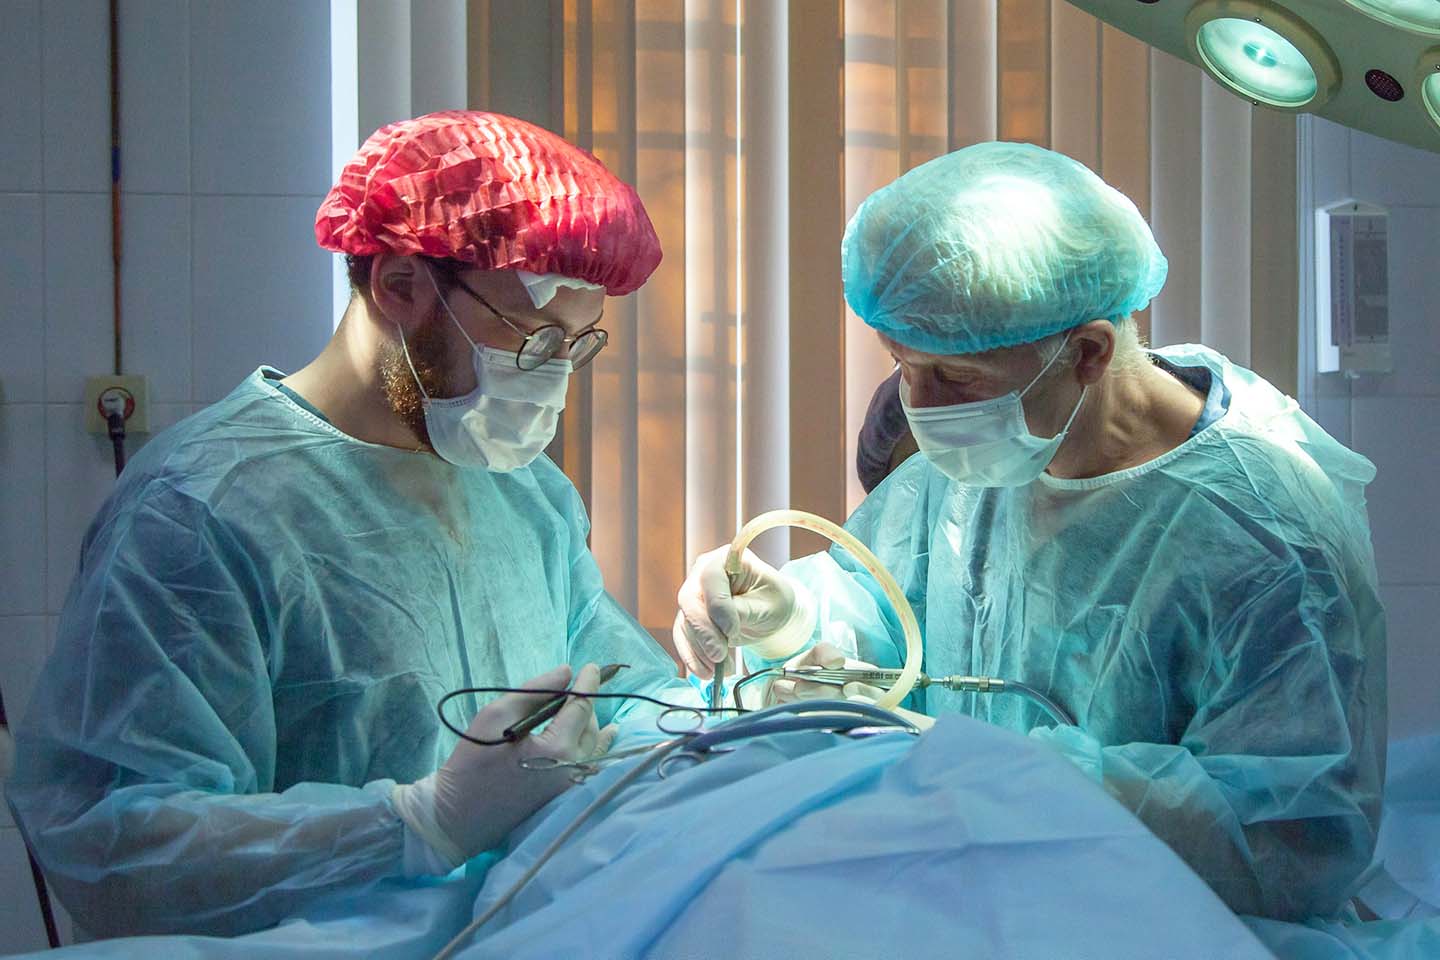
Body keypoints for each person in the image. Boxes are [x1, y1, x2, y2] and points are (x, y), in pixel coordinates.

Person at [6, 111, 691, 939]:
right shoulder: (199, 514)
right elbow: (115, 846)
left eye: (576, 345)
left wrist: (741, 695)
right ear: (401, 285)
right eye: (533, 336)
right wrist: (418, 823)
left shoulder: (525, 492)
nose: (551, 376)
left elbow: (612, 691)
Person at [674, 141, 1388, 922]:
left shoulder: (1261, 538)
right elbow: (893, 625)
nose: (920, 403)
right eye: (902, 363)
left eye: (957, 378)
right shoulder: (974, 470)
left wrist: (1011, 775)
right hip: (981, 902)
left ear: (1086, 351)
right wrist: (793, 621)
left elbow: (1286, 843)